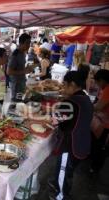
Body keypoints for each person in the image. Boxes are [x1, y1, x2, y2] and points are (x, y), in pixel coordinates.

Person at [48, 71, 93, 200]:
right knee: (66, 170)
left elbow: (54, 120)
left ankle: (61, 195)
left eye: (65, 85)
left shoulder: (71, 103)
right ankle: (57, 184)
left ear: (72, 84)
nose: (63, 87)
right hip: (83, 142)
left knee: (64, 171)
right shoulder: (84, 97)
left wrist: (53, 111)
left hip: (71, 145)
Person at [7, 33, 37, 102]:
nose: (29, 45)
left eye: (29, 43)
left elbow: (20, 67)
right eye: (27, 43)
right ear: (20, 43)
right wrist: (24, 71)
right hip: (16, 85)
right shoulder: (15, 55)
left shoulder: (23, 53)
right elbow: (8, 72)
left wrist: (28, 67)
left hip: (21, 83)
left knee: (20, 101)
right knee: (16, 102)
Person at [90, 69, 109, 177]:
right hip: (102, 120)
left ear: (102, 80)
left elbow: (99, 106)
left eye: (98, 82)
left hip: (105, 124)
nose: (97, 85)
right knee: (97, 143)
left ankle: (94, 168)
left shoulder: (108, 89)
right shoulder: (105, 88)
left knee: (100, 146)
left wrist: (88, 107)